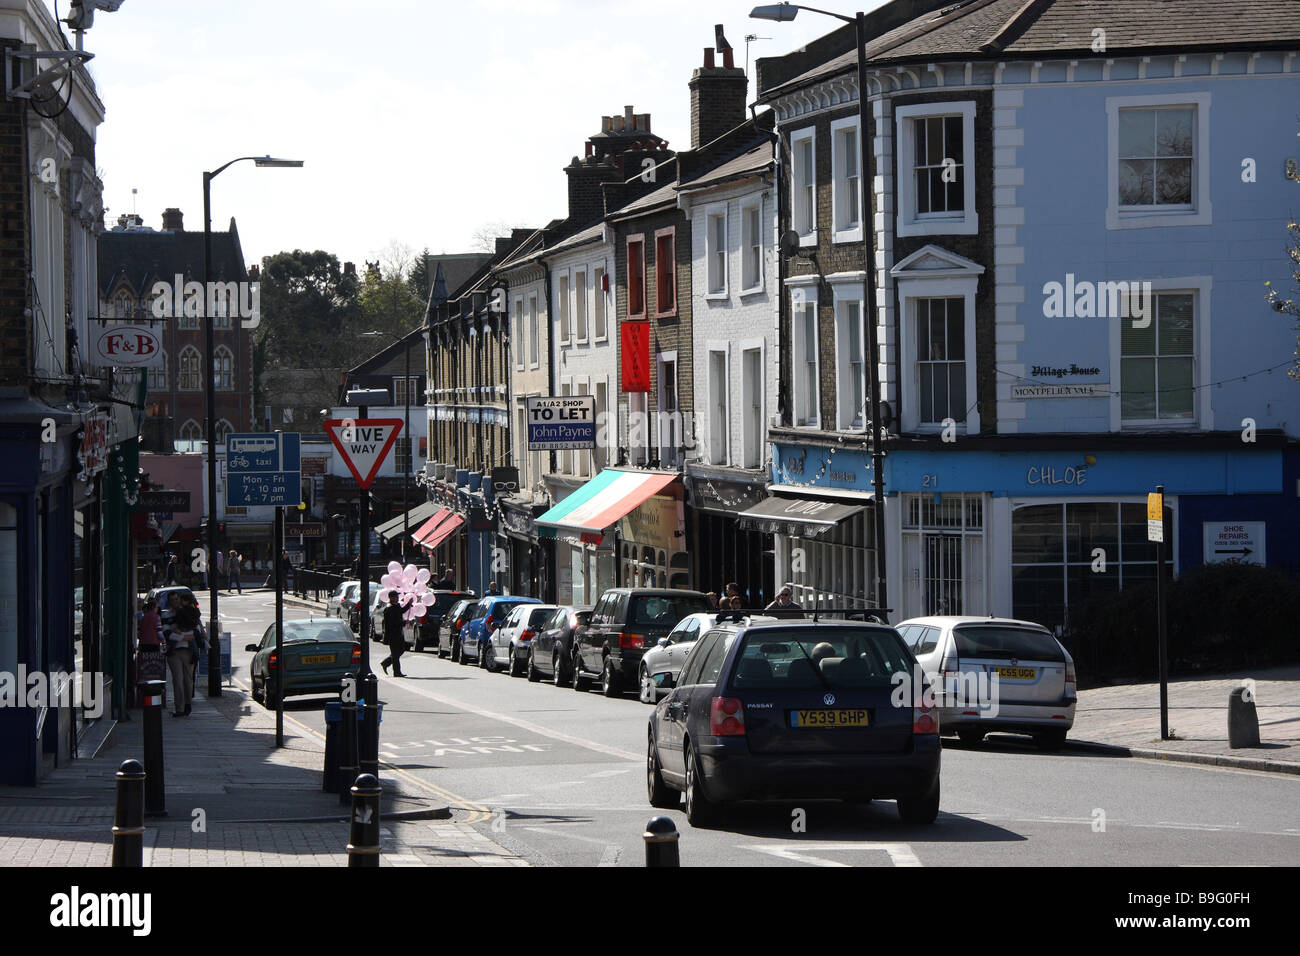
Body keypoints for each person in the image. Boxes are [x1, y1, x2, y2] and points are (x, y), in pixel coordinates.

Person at [167, 594, 200, 716]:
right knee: (177, 680)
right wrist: (184, 637)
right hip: (174, 651)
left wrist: (180, 635)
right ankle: (180, 708)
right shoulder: (168, 615)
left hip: (188, 651)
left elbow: (195, 631)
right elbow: (167, 633)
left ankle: (187, 704)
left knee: (188, 680)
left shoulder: (187, 613)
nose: (176, 601)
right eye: (173, 600)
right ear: (169, 602)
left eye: (177, 599)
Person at [379, 591, 407, 677]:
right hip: (392, 634)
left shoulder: (395, 606)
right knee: (395, 653)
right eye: (395, 596)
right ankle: (396, 672)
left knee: (401, 650)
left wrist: (409, 605)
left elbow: (401, 611)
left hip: (398, 633)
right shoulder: (389, 608)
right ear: (391, 597)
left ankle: (386, 662)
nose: (397, 598)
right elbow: (392, 623)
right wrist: (403, 623)